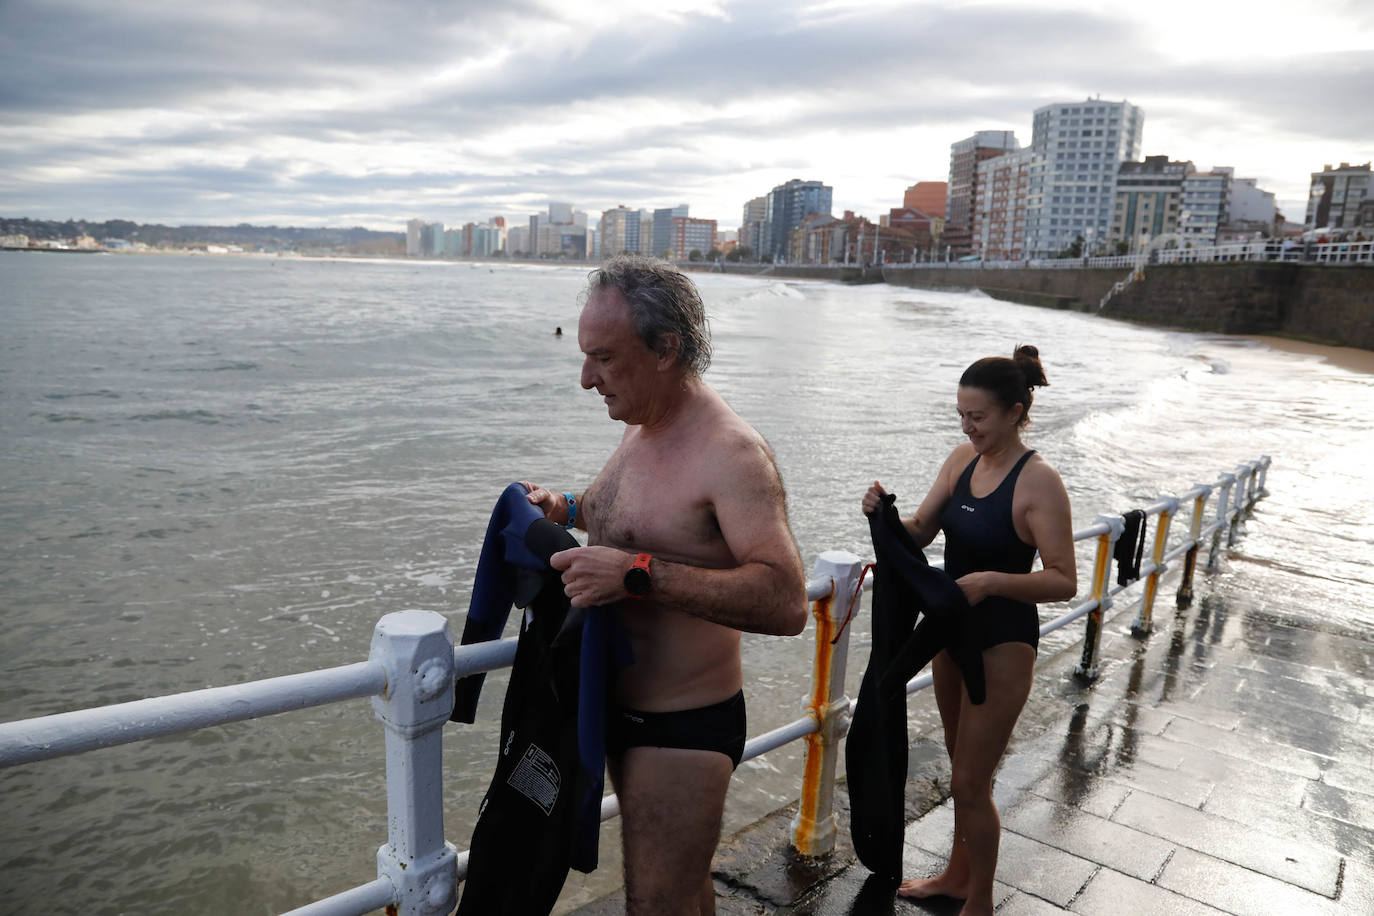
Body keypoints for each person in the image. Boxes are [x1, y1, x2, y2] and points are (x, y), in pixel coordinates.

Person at [522, 255, 808, 915]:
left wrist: (635, 575)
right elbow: (617, 512)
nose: (586, 378)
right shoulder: (644, 426)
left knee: (655, 903)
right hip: (615, 704)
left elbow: (786, 599)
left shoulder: (731, 455)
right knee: (682, 895)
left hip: (681, 726)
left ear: (665, 349)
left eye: (604, 358)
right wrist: (563, 507)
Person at [861, 345, 1077, 915]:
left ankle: (979, 900)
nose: (968, 426)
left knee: (970, 782)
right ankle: (957, 876)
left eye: (978, 416)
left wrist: (991, 583)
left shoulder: (1040, 483)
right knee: (960, 768)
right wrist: (882, 517)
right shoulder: (961, 461)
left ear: (1014, 411)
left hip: (1003, 642)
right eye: (962, 414)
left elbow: (1063, 580)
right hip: (949, 635)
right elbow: (922, 531)